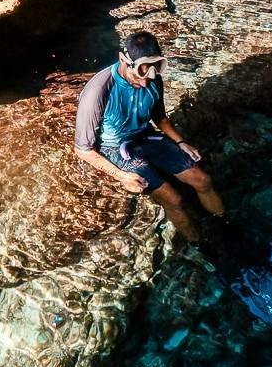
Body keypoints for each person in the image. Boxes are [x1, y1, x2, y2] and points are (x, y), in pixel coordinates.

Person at [74, 30, 224, 242]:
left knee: (203, 180)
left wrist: (180, 141)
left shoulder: (153, 79)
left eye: (151, 75)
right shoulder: (98, 91)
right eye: (139, 76)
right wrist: (121, 176)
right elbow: (83, 149)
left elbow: (159, 117)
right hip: (115, 149)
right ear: (123, 61)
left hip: (146, 136)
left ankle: (223, 229)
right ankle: (199, 244)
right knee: (175, 200)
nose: (145, 83)